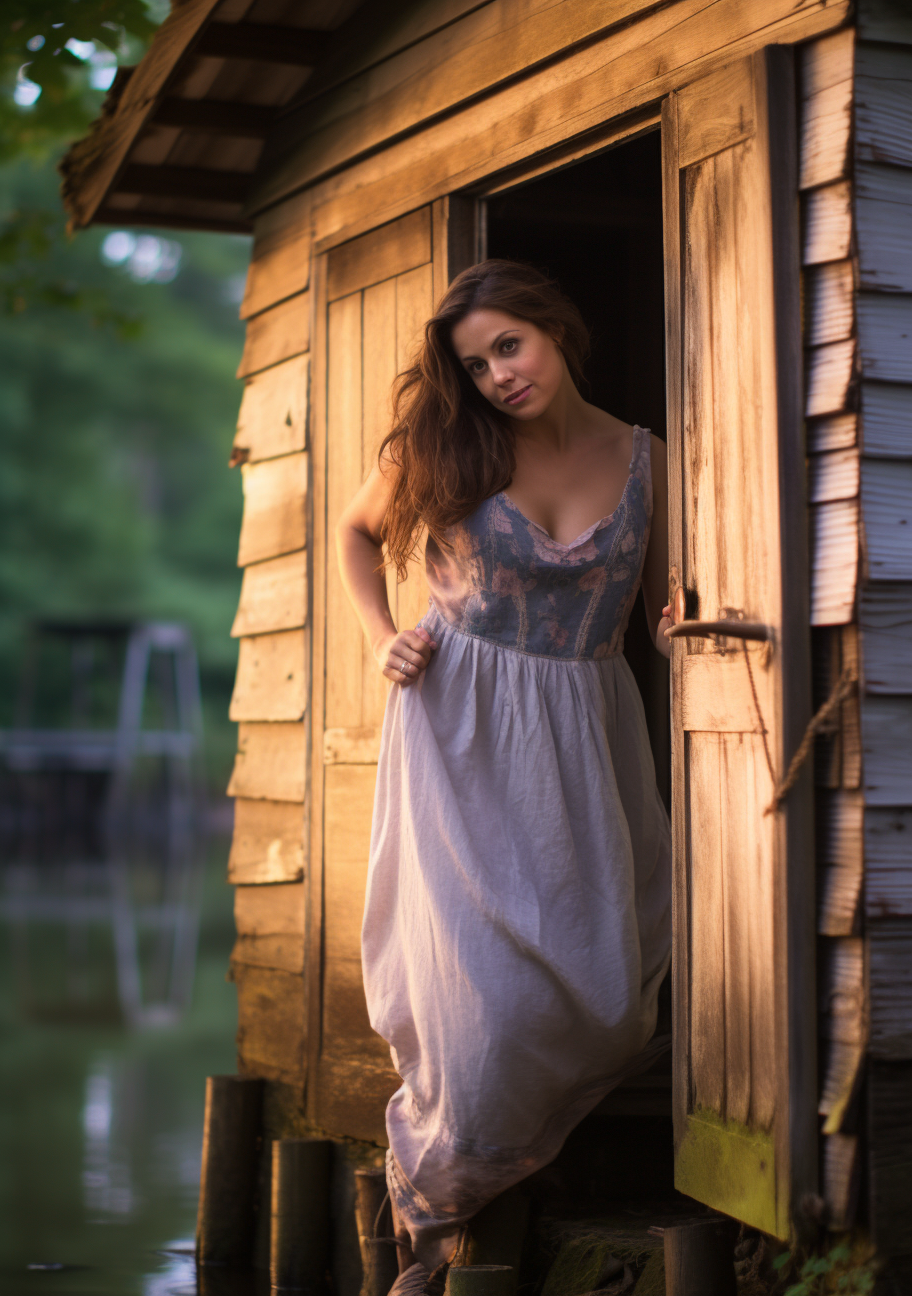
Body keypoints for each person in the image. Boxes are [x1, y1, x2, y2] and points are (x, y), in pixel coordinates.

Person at [336, 259, 674, 1295]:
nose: (496, 377)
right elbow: (355, 531)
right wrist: (382, 635)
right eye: (475, 364)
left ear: (557, 329)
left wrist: (680, 632)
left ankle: (464, 1183)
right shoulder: (448, 444)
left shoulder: (651, 459)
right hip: (460, 726)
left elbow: (660, 604)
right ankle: (432, 1216)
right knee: (474, 992)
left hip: (585, 724)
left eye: (508, 347)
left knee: (609, 990)